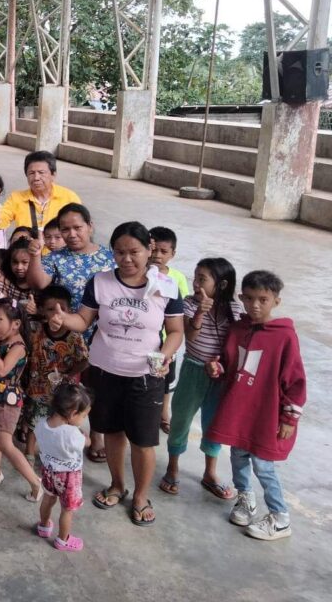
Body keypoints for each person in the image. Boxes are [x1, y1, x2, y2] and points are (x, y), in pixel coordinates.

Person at [51, 222, 184, 527]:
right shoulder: (99, 282)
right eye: (120, 252)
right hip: (104, 371)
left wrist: (165, 355)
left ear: (149, 250)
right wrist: (63, 320)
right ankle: (116, 485)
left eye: (134, 252)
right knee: (111, 431)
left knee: (143, 440)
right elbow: (83, 321)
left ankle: (140, 495)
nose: (127, 259)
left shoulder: (166, 286)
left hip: (146, 376)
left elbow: (176, 331)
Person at [206, 271, 306, 541]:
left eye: (263, 299)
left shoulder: (285, 336)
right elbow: (229, 363)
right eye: (249, 299)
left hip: (267, 414)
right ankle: (245, 498)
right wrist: (218, 367)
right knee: (238, 456)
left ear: (277, 301)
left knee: (263, 465)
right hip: (240, 411)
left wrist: (289, 418)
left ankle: (280, 517)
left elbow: (295, 380)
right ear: (241, 297)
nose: (255, 306)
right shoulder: (238, 329)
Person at [26, 203, 115, 461]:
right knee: (67, 387)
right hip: (64, 336)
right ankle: (63, 433)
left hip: (101, 334)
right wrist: (35, 254)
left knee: (96, 387)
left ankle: (96, 435)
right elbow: (38, 282)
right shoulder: (56, 257)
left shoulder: (109, 257)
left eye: (77, 227)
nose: (72, 234)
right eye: (66, 229)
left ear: (90, 226)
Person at [160, 257, 240, 500]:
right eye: (195, 277)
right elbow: (191, 337)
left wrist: (221, 361)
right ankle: (172, 467)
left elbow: (236, 342)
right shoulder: (189, 303)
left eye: (202, 279)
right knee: (181, 417)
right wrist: (199, 314)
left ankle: (210, 473)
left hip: (219, 374)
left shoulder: (235, 309)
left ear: (222, 285)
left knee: (214, 423)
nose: (196, 283)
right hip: (193, 370)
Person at [0, 298, 42, 500]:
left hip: (6, 402)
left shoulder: (18, 346)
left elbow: (1, 370)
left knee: (6, 444)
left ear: (15, 324)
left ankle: (36, 483)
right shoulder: (4, 340)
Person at [23, 287, 88, 460]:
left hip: (64, 391)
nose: (56, 314)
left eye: (62, 309)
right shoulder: (37, 329)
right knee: (34, 422)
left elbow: (84, 360)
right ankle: (29, 453)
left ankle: (56, 453)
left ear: (70, 311)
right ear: (42, 311)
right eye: (50, 309)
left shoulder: (75, 336)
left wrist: (70, 373)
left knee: (62, 422)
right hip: (39, 387)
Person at [35, 383, 93, 552]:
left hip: (49, 471)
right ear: (73, 413)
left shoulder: (41, 424)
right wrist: (85, 436)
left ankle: (44, 526)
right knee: (67, 509)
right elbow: (87, 443)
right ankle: (63, 540)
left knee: (48, 499)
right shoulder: (72, 434)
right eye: (83, 416)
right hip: (69, 477)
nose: (83, 420)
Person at [149, 225, 191, 434]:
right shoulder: (141, 273)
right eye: (154, 249)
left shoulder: (177, 278)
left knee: (164, 379)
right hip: (147, 338)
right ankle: (149, 411)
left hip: (167, 342)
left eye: (164, 251)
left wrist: (171, 346)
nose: (157, 255)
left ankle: (163, 412)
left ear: (172, 254)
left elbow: (179, 311)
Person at [0, 151, 81, 234]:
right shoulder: (16, 198)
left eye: (41, 172)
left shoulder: (69, 198)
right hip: (27, 249)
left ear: (53, 175)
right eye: (31, 173)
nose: (36, 178)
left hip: (59, 250)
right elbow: (2, 219)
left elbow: (79, 227)